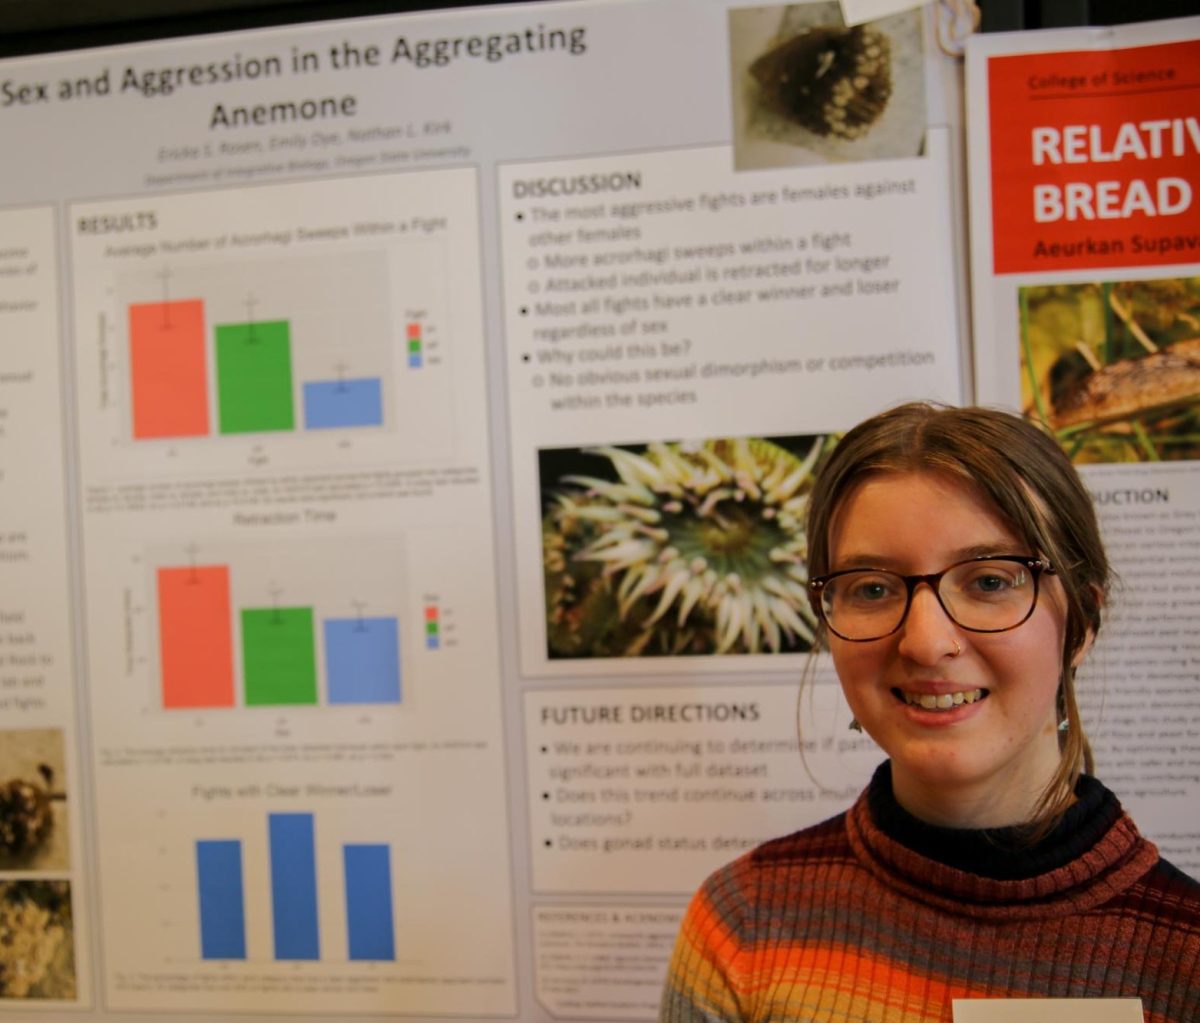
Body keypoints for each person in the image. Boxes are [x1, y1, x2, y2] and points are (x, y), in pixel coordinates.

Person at [660, 403, 1200, 1023]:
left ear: (1081, 623)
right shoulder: (746, 923)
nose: (924, 641)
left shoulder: (1182, 957)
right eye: (871, 588)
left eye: (991, 581)